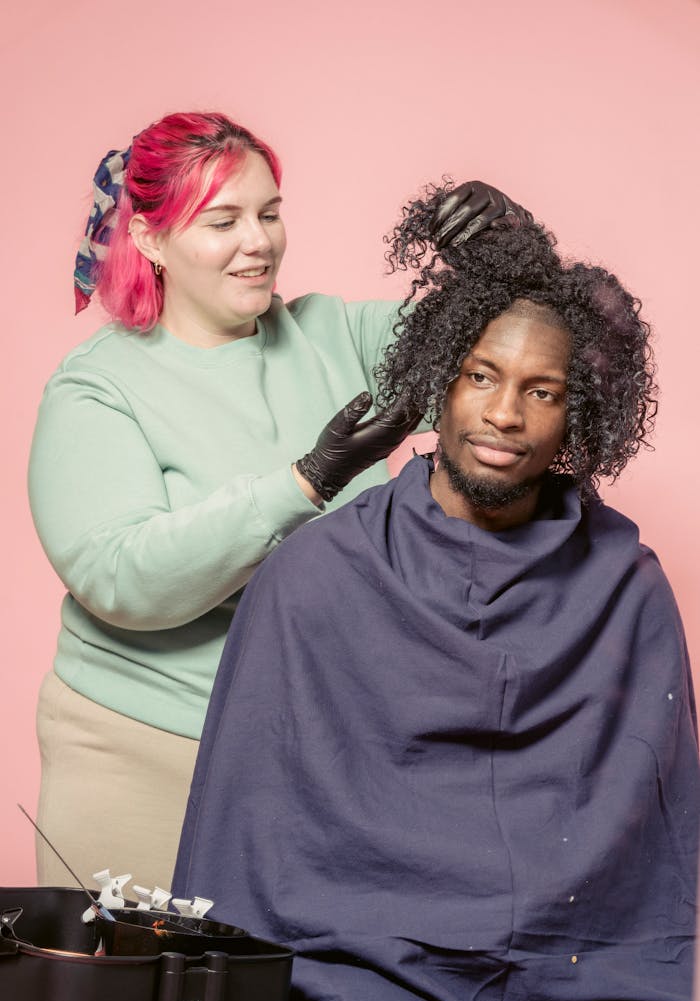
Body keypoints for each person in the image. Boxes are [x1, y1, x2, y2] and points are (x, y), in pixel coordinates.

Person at [174, 191, 699, 1001]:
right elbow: (247, 832)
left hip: (574, 991)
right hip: (365, 984)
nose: (503, 415)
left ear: (580, 416)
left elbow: (652, 844)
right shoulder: (316, 575)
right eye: (482, 376)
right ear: (438, 380)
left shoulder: (627, 588)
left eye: (543, 391)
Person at [28, 110, 526, 890]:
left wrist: (515, 265)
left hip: (323, 751)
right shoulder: (99, 387)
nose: (257, 241)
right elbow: (121, 578)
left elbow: (513, 369)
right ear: (152, 239)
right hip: (146, 749)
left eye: (269, 213)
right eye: (222, 220)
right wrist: (305, 483)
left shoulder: (336, 337)